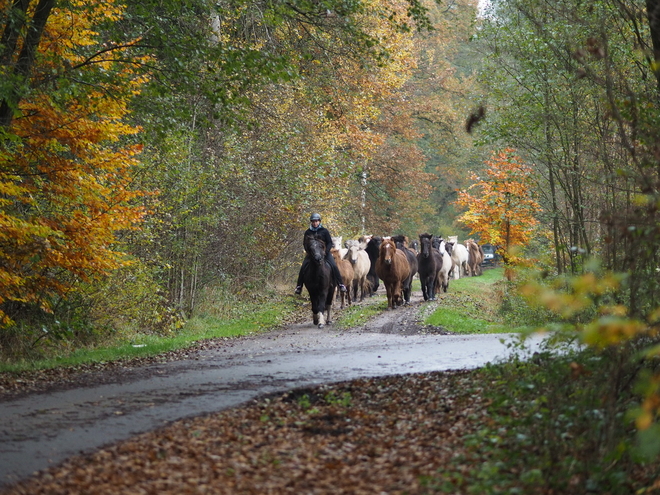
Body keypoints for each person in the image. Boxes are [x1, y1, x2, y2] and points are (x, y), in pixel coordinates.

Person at [295, 213, 347, 294]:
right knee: (303, 267)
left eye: (316, 221)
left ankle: (340, 284)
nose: (315, 223)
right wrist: (309, 252)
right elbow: (305, 244)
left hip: (324, 253)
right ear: (311, 222)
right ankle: (299, 286)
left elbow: (329, 242)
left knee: (333, 265)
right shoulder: (308, 232)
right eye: (313, 221)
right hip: (312, 254)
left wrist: (326, 252)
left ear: (319, 221)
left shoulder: (324, 231)